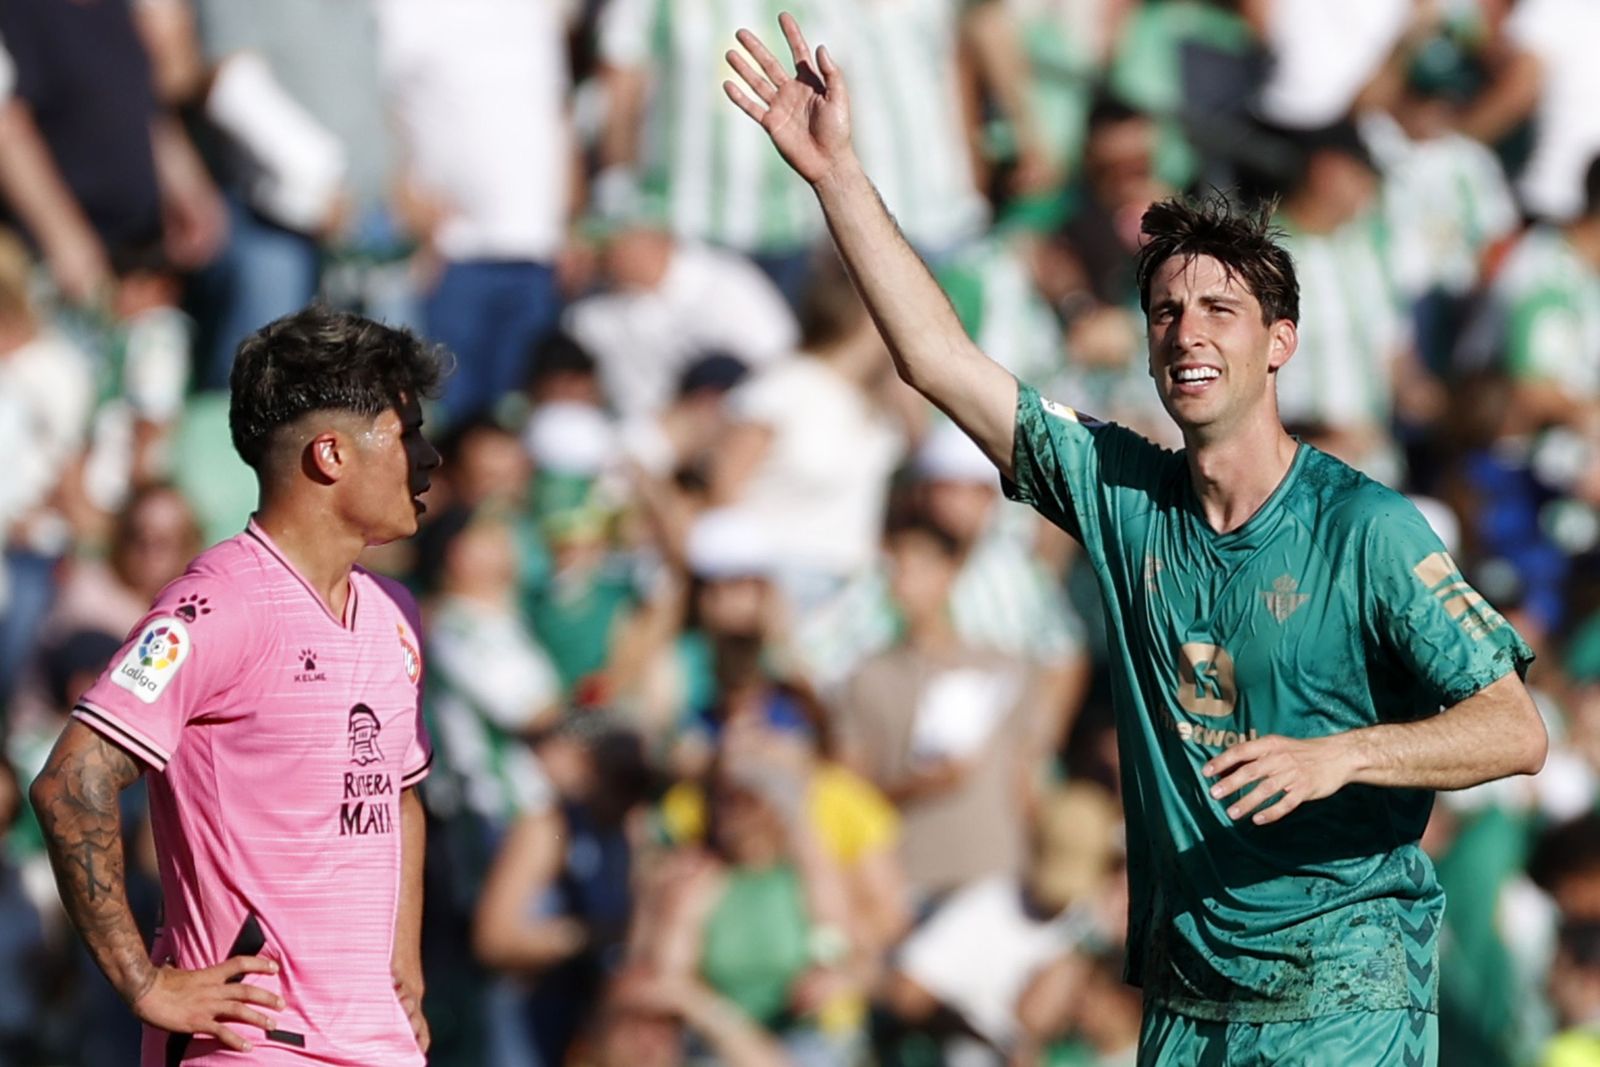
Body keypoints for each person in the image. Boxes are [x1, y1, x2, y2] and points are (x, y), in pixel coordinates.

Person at [723, 17, 1548, 1063]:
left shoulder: (1363, 526)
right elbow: (937, 361)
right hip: (1187, 1003)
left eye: (1219, 308)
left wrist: (1343, 754)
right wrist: (836, 175)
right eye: (1164, 311)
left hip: (1345, 998)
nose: (1187, 331)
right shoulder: (1123, 494)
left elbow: (1514, 727)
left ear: (1279, 340)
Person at [28, 306, 442, 1064]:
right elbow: (69, 782)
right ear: (330, 454)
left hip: (379, 1046)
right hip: (253, 1046)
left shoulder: (394, 615)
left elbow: (396, 795)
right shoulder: (220, 605)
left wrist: (401, 965)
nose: (429, 457)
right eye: (406, 432)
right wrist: (149, 987)